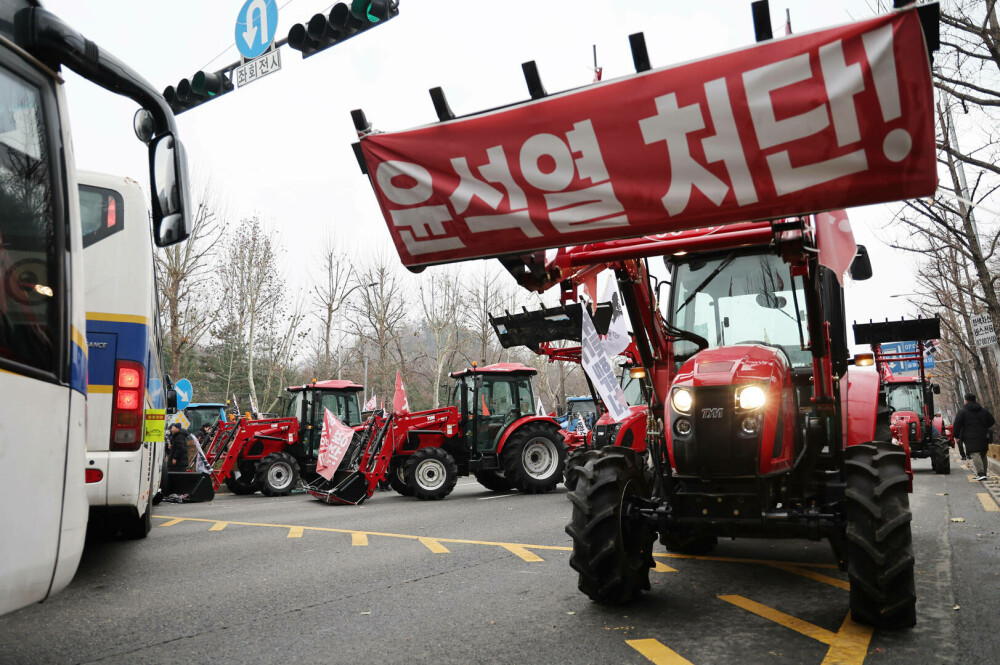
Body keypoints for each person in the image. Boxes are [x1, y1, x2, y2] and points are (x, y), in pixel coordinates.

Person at [953, 393, 995, 481]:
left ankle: (981, 473)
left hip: (970, 436)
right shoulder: (983, 410)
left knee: (975, 453)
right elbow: (992, 421)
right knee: (983, 454)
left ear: (966, 401)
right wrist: (984, 427)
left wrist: (956, 436)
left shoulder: (962, 412)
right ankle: (984, 473)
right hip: (983, 435)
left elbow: (957, 425)